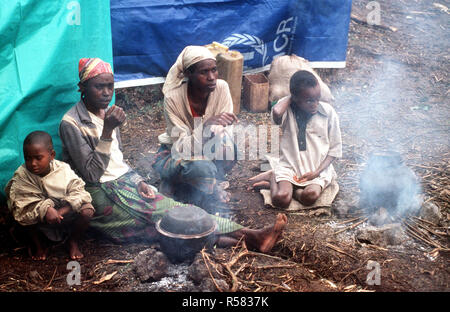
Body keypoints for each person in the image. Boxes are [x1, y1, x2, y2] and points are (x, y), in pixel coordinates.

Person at [59, 57, 287, 253]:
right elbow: (91, 174)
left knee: (172, 225)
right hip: (99, 194)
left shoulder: (107, 113)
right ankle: (252, 236)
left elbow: (117, 161)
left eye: (110, 86)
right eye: (99, 87)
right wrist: (108, 131)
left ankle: (250, 240)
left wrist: (138, 181)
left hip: (124, 185)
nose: (107, 93)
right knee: (176, 217)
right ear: (82, 88)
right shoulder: (72, 123)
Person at [152, 46, 238, 211]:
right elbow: (182, 148)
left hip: (209, 148)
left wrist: (215, 133)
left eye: (214, 70)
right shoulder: (173, 98)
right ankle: (175, 180)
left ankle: (203, 182)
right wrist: (205, 126)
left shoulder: (222, 88)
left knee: (229, 150)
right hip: (174, 153)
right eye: (203, 72)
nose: (211, 77)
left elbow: (223, 133)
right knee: (201, 168)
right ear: (188, 74)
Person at [249, 70, 342, 208]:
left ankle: (296, 192)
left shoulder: (328, 113)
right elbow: (276, 112)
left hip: (317, 169)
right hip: (290, 167)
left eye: (318, 98)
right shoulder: (286, 109)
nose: (315, 104)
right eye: (310, 100)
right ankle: (273, 177)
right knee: (281, 200)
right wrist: (292, 97)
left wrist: (316, 172)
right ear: (295, 98)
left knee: (309, 197)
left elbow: (335, 150)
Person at [5, 131, 94, 260]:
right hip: (40, 218)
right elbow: (22, 201)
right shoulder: (22, 175)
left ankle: (73, 241)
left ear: (52, 155)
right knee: (22, 210)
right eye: (28, 158)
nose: (33, 163)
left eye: (38, 158)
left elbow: (79, 192)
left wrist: (62, 211)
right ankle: (39, 245)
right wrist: (45, 209)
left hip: (63, 213)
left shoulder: (62, 169)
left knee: (87, 210)